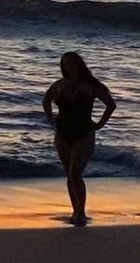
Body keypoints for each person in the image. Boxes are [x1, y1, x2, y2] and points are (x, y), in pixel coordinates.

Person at [42, 52, 116, 225]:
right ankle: (74, 210)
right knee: (69, 174)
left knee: (75, 173)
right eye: (66, 64)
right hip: (62, 132)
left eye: (73, 63)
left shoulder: (91, 85)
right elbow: (46, 100)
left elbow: (111, 105)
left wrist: (100, 124)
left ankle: (81, 212)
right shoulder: (59, 85)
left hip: (84, 132)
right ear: (63, 67)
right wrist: (50, 118)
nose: (70, 67)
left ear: (80, 65)